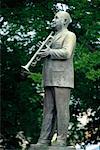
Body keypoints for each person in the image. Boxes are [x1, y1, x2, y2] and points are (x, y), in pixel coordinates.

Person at [31, 11, 76, 148]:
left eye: (56, 18)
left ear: (64, 21)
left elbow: (67, 53)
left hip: (62, 78)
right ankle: (44, 140)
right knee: (48, 110)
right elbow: (48, 55)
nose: (53, 19)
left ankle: (61, 140)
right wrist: (40, 55)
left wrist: (49, 51)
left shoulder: (69, 35)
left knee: (61, 110)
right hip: (49, 78)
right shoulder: (52, 37)